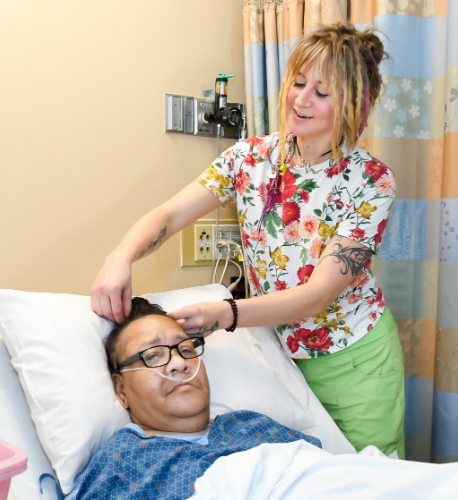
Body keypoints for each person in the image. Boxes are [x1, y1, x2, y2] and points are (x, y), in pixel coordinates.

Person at [90, 23, 404, 458]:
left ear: (353, 103)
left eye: (321, 92)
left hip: (353, 358)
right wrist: (120, 257)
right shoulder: (250, 158)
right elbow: (170, 214)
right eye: (298, 83)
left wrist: (226, 313)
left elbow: (318, 294)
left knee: (373, 479)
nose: (301, 99)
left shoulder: (371, 181)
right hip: (277, 351)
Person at [70, 297, 320, 499]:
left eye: (186, 349)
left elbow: (329, 474)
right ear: (121, 389)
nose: (179, 363)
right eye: (153, 356)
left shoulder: (251, 424)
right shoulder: (122, 462)